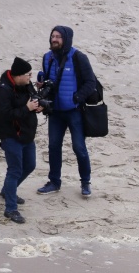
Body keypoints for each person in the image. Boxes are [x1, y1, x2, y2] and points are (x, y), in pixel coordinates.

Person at [36, 25, 97, 197]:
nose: (54, 39)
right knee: (53, 146)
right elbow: (49, 81)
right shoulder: (47, 58)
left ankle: (85, 182)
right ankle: (54, 182)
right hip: (55, 112)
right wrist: (42, 84)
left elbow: (90, 82)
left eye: (58, 37)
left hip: (75, 111)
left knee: (79, 147)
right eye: (52, 36)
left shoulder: (79, 57)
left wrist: (77, 98)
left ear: (66, 39)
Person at [0, 57, 42, 224]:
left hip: (27, 134)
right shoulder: (4, 90)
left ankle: (7, 191)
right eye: (28, 75)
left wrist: (38, 106)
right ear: (18, 75)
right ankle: (10, 209)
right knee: (14, 170)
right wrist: (26, 108)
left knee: (29, 165)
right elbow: (6, 115)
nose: (30, 77)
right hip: (10, 136)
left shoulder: (26, 85)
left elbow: (34, 98)